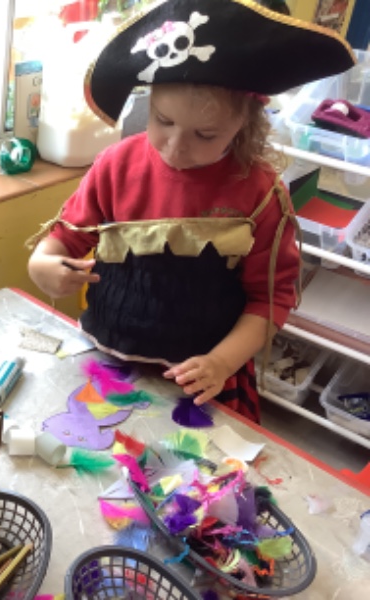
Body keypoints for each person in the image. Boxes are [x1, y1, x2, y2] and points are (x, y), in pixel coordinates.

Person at [26, 0, 354, 423]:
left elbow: (270, 300)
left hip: (204, 382)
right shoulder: (114, 166)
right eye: (163, 121)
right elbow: (62, 241)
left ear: (246, 123)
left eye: (205, 134)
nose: (176, 148)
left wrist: (221, 361)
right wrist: (43, 265)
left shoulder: (260, 194)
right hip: (108, 362)